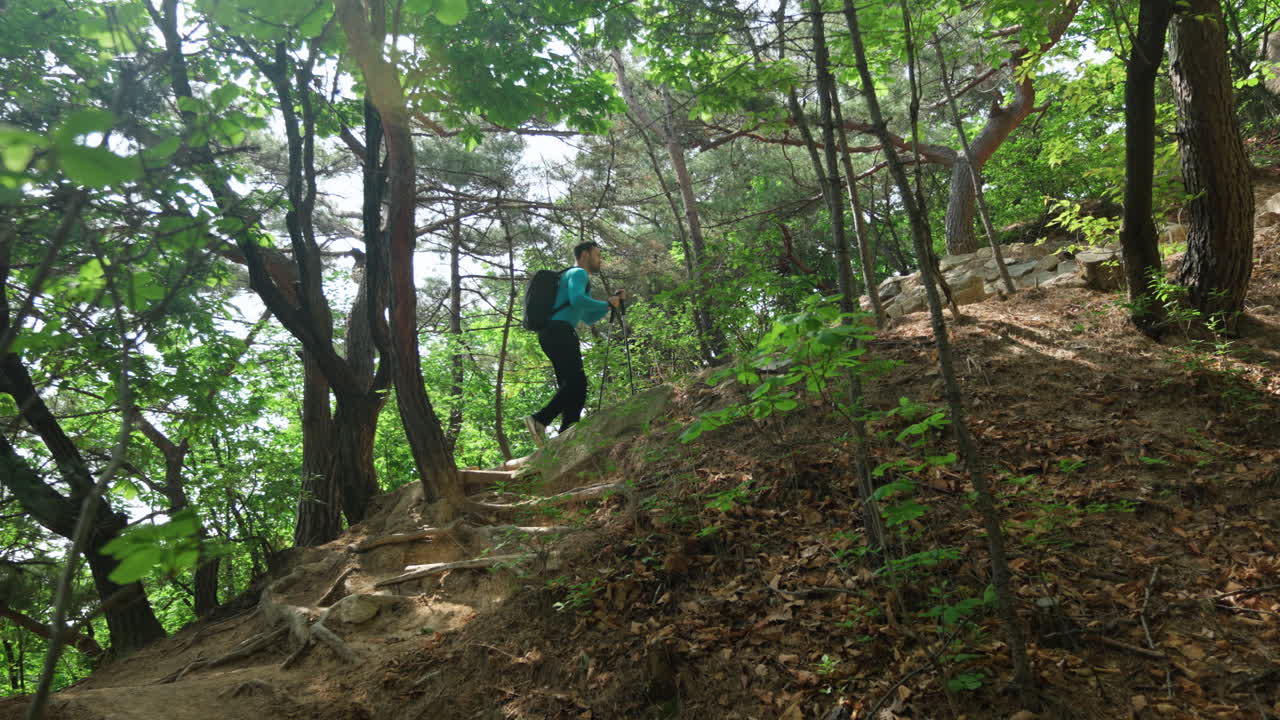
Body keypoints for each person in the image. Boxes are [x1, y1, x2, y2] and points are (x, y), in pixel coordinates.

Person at [524, 241, 625, 447]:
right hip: (559, 331)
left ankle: (566, 436)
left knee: (574, 387)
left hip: (552, 332)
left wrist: (609, 303)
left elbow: (587, 317)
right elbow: (578, 300)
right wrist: (607, 303)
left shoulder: (570, 277)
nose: (600, 260)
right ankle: (540, 419)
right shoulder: (578, 274)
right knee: (576, 383)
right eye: (598, 255)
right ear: (585, 254)